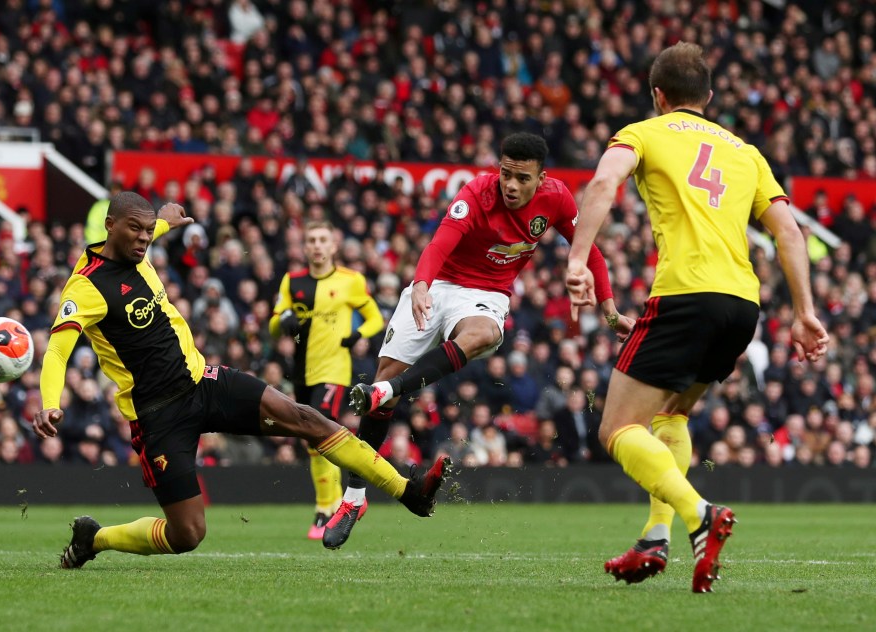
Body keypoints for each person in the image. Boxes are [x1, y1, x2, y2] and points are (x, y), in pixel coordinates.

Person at [33, 192, 448, 569]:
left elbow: (149, 224)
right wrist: (50, 401)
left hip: (204, 382)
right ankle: (95, 538)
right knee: (187, 534)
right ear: (109, 226)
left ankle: (408, 492)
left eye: (147, 231)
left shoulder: (138, 244)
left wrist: (165, 220)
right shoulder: (86, 286)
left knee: (308, 419)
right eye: (134, 230)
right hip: (158, 415)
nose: (144, 239)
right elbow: (56, 350)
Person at [563, 42, 829, 593]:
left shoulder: (643, 132)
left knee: (617, 428)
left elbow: (604, 184)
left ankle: (699, 513)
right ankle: (654, 537)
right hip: (741, 307)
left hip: (685, 295)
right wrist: (804, 311)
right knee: (672, 418)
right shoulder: (746, 151)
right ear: (708, 97)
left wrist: (575, 261)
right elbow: (787, 232)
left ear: (657, 95)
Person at [327, 132, 633, 549]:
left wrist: (611, 311)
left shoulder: (558, 199)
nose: (510, 185)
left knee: (483, 333)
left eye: (521, 178)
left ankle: (388, 391)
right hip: (438, 284)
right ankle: (355, 497)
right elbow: (440, 244)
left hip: (485, 295)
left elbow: (590, 251)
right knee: (386, 387)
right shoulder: (476, 193)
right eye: (505, 173)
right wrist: (419, 285)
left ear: (541, 178)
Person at [269, 220, 384, 540]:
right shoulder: (292, 281)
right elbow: (273, 326)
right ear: (304, 248)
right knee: (312, 440)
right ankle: (335, 503)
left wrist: (357, 334)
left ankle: (329, 508)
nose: (317, 245)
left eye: (323, 240)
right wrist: (284, 321)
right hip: (302, 371)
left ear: (333, 246)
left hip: (333, 370)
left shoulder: (351, 280)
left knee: (320, 429)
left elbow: (376, 318)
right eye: (311, 240)